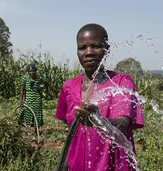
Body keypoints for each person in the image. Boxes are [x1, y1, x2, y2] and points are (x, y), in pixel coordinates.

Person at [54, 23, 144, 171]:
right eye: (82, 48)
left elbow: (123, 123)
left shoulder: (121, 83)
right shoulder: (68, 87)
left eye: (96, 46)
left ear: (106, 50)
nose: (88, 52)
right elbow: (72, 137)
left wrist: (96, 119)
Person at [18, 64, 43, 128]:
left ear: (35, 71)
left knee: (37, 113)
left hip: (37, 98)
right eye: (30, 71)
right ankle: (24, 124)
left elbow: (46, 83)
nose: (32, 72)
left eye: (33, 71)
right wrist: (21, 101)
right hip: (28, 97)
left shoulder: (39, 78)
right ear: (28, 72)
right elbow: (22, 90)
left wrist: (42, 89)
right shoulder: (25, 78)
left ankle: (36, 126)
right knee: (25, 110)